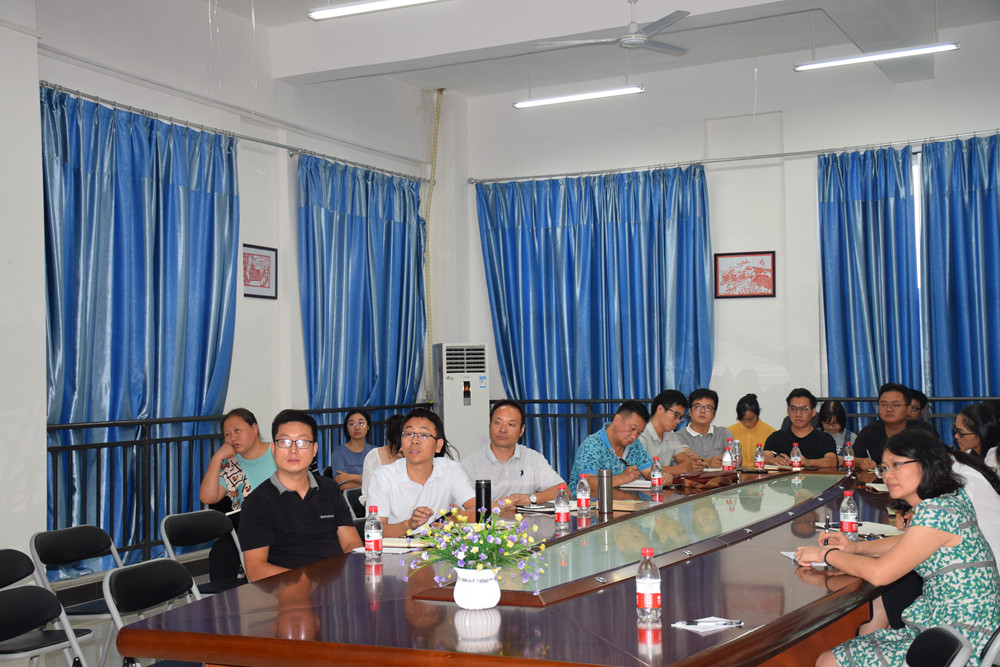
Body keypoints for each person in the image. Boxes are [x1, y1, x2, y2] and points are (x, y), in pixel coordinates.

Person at [795, 430, 1000, 667]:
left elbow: (880, 573)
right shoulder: (951, 499)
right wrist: (854, 548)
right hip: (966, 629)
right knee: (853, 645)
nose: (888, 475)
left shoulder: (937, 511)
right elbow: (912, 542)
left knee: (828, 661)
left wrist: (826, 554)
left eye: (897, 465)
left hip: (957, 641)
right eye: (884, 467)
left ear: (926, 463)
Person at [239, 409, 362, 582]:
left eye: (303, 442)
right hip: (285, 589)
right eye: (285, 442)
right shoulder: (257, 502)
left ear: (314, 449)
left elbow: (351, 542)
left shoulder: (330, 489)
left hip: (335, 583)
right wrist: (305, 582)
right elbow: (255, 569)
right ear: (273, 448)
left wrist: (347, 573)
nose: (293, 450)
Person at [366, 408, 476, 537]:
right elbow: (375, 531)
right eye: (408, 434)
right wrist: (408, 525)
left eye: (424, 435)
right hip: (398, 548)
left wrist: (457, 518)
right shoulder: (383, 476)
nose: (414, 440)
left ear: (438, 445)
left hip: (440, 548)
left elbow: (479, 510)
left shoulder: (451, 470)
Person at [460, 400, 565, 507]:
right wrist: (499, 506)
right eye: (498, 422)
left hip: (525, 518)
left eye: (511, 424)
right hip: (489, 518)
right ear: (490, 425)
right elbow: (462, 503)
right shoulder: (469, 464)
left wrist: (530, 498)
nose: (503, 429)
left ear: (522, 430)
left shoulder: (533, 459)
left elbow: (563, 491)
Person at [569, 401, 657, 494]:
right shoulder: (592, 445)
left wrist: (660, 476)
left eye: (639, 433)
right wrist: (622, 478)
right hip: (589, 501)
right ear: (617, 420)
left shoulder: (635, 445)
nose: (634, 437)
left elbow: (648, 472)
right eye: (632, 429)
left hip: (622, 500)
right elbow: (588, 483)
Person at [199, 408, 276, 512]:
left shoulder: (279, 452)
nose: (233, 438)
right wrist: (216, 458)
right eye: (227, 434)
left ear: (254, 429)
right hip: (249, 521)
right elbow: (207, 498)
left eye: (237, 430)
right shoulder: (229, 465)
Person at [852, 383, 936, 471]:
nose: (889, 409)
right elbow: (850, 458)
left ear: (908, 409)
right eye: (884, 404)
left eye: (896, 405)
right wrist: (859, 462)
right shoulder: (870, 431)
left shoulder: (922, 431)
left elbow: (936, 461)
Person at [763, 389, 837, 468]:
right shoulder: (776, 437)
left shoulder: (825, 438)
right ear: (788, 411)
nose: (798, 414)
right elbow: (764, 457)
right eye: (793, 409)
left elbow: (832, 461)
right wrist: (773, 460)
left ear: (813, 412)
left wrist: (808, 462)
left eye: (804, 409)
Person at [638, 390, 705, 475]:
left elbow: (684, 460)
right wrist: (683, 469)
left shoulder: (670, 433)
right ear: (660, 409)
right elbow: (648, 471)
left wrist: (687, 467)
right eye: (676, 415)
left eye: (680, 417)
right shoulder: (641, 434)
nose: (678, 421)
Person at [675, 389, 731, 468]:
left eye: (708, 408)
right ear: (690, 411)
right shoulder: (678, 436)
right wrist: (709, 462)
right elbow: (687, 458)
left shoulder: (723, 433)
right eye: (697, 407)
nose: (702, 411)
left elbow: (734, 458)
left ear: (714, 414)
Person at [360, 414, 406, 503]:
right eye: (397, 448)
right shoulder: (373, 458)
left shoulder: (417, 457)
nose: (401, 450)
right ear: (388, 441)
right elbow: (366, 497)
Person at [329, 409, 375, 490]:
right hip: (348, 497)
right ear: (347, 428)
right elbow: (343, 485)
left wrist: (351, 477)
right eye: (352, 424)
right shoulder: (338, 452)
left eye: (361, 423)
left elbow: (380, 480)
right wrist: (369, 484)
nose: (357, 427)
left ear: (368, 427)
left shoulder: (374, 451)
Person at [728, 393, 776, 465]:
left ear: (758, 414)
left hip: (761, 471)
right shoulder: (730, 432)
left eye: (750, 419)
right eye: (743, 420)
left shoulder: (771, 433)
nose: (747, 424)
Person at [953, 402, 1000, 473]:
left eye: (960, 432)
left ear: (980, 433)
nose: (956, 436)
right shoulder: (970, 454)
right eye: (956, 430)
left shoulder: (995, 460)